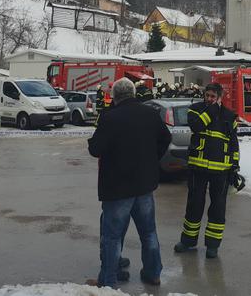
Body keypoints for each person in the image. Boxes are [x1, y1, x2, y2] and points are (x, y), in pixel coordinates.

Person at [87, 77, 172, 288]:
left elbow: (95, 149)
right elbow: (166, 138)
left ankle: (108, 281)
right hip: (144, 185)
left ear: (114, 96)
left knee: (112, 237)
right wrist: (153, 159)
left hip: (118, 188)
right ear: (133, 94)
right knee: (149, 233)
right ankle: (153, 273)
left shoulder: (110, 118)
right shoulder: (151, 114)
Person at [174, 82, 240, 259]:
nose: (209, 99)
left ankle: (213, 245)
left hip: (222, 170)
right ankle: (188, 241)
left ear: (220, 97)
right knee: (194, 205)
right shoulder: (195, 109)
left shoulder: (230, 116)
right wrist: (211, 110)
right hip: (198, 167)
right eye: (207, 96)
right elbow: (196, 127)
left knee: (218, 208)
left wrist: (235, 166)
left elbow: (233, 143)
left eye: (213, 96)